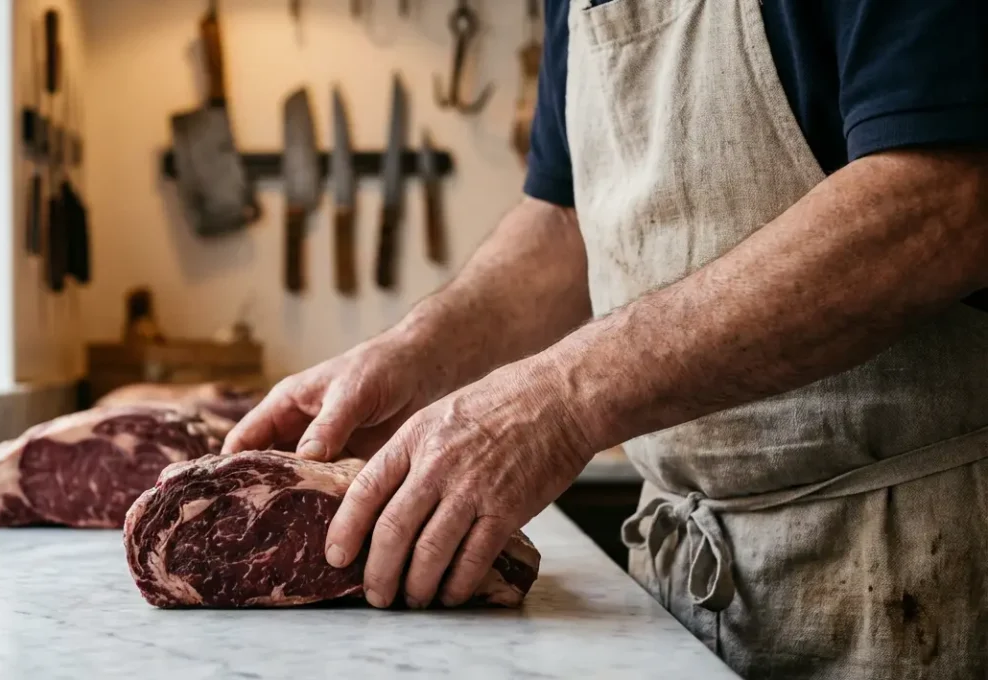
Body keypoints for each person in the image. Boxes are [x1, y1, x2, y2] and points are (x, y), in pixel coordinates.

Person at [223, 0, 988, 677]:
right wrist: (415, 351)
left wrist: (563, 398)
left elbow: (947, 198)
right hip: (680, 578)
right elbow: (566, 224)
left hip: (910, 563)